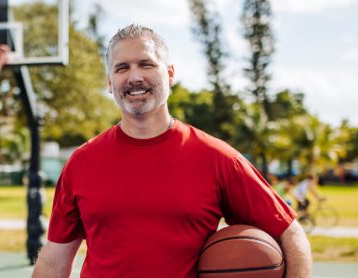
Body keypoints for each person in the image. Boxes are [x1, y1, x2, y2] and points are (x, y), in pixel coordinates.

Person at [32, 24, 312, 277]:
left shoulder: (216, 158)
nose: (135, 77)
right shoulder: (82, 162)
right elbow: (55, 260)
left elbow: (290, 233)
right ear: (109, 82)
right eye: (122, 68)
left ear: (170, 74)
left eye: (146, 64)